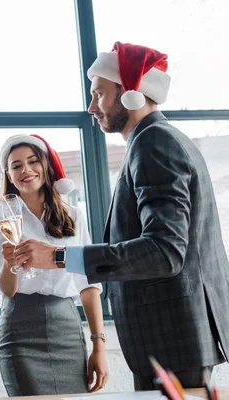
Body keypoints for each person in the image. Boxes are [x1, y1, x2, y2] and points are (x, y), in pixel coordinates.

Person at [13, 42, 229, 390]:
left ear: (131, 93)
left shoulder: (154, 143)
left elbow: (164, 252)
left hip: (174, 339)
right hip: (178, 338)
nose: (91, 107)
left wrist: (58, 256)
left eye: (99, 94)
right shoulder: (159, 140)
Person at [0, 134, 109, 396]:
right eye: (16, 165)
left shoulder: (74, 215)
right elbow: (6, 289)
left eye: (32, 161)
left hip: (66, 326)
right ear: (8, 174)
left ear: (45, 166)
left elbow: (88, 284)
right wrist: (9, 263)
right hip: (19, 328)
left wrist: (99, 346)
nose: (26, 170)